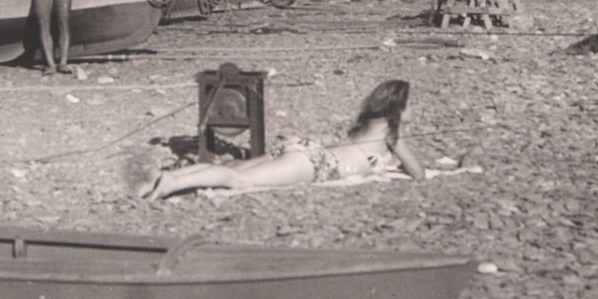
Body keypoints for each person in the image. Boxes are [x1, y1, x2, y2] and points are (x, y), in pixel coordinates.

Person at [139, 79, 426, 199]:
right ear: (397, 108)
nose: (415, 110)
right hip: (318, 162)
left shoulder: (366, 124)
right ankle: (172, 183)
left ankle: (166, 176)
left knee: (237, 169)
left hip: (307, 148)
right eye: (411, 104)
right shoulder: (392, 131)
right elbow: (419, 174)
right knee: (240, 180)